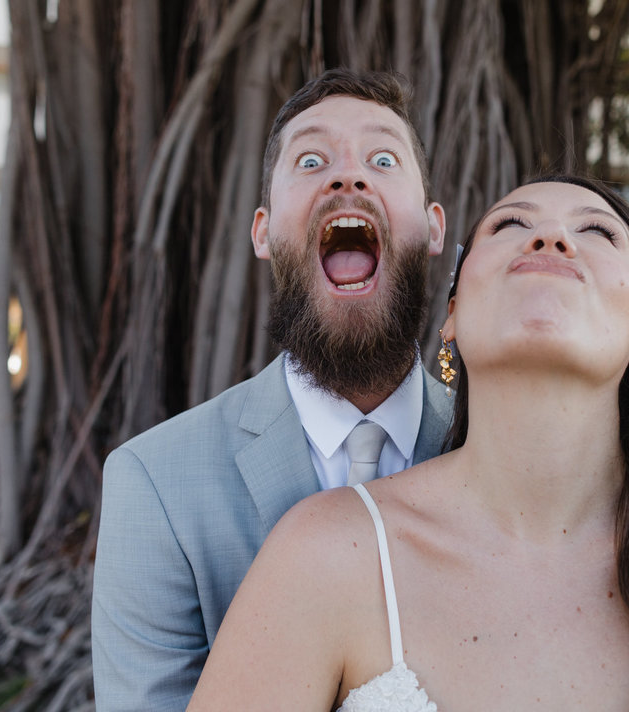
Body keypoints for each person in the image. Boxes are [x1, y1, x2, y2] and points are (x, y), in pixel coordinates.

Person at [187, 175, 629, 711]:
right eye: (512, 226)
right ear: (450, 317)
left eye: (596, 232)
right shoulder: (329, 555)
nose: (551, 242)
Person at [91, 69, 452, 711]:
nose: (348, 177)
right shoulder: (153, 482)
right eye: (311, 160)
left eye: (383, 158)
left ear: (432, 229)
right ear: (262, 232)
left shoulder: (489, 446)